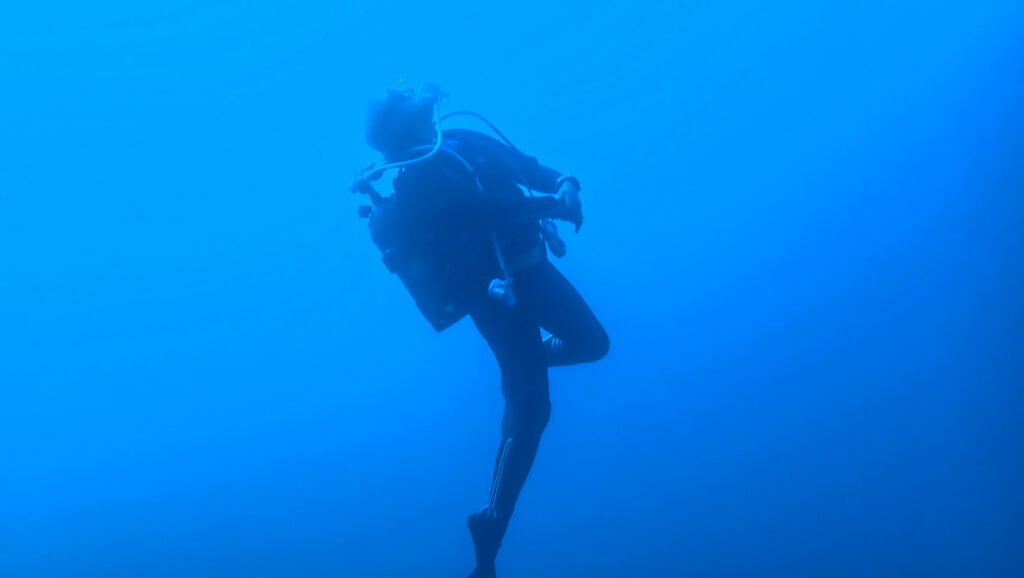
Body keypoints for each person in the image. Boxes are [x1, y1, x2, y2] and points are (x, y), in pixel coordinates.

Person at [353, 87, 609, 578]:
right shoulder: (418, 179)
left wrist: (565, 181)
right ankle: (489, 534)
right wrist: (548, 208)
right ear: (401, 126)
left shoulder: (462, 137)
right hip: (494, 298)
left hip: (534, 272)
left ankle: (530, 361)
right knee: (532, 411)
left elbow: (523, 165)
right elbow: (483, 209)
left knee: (594, 344)